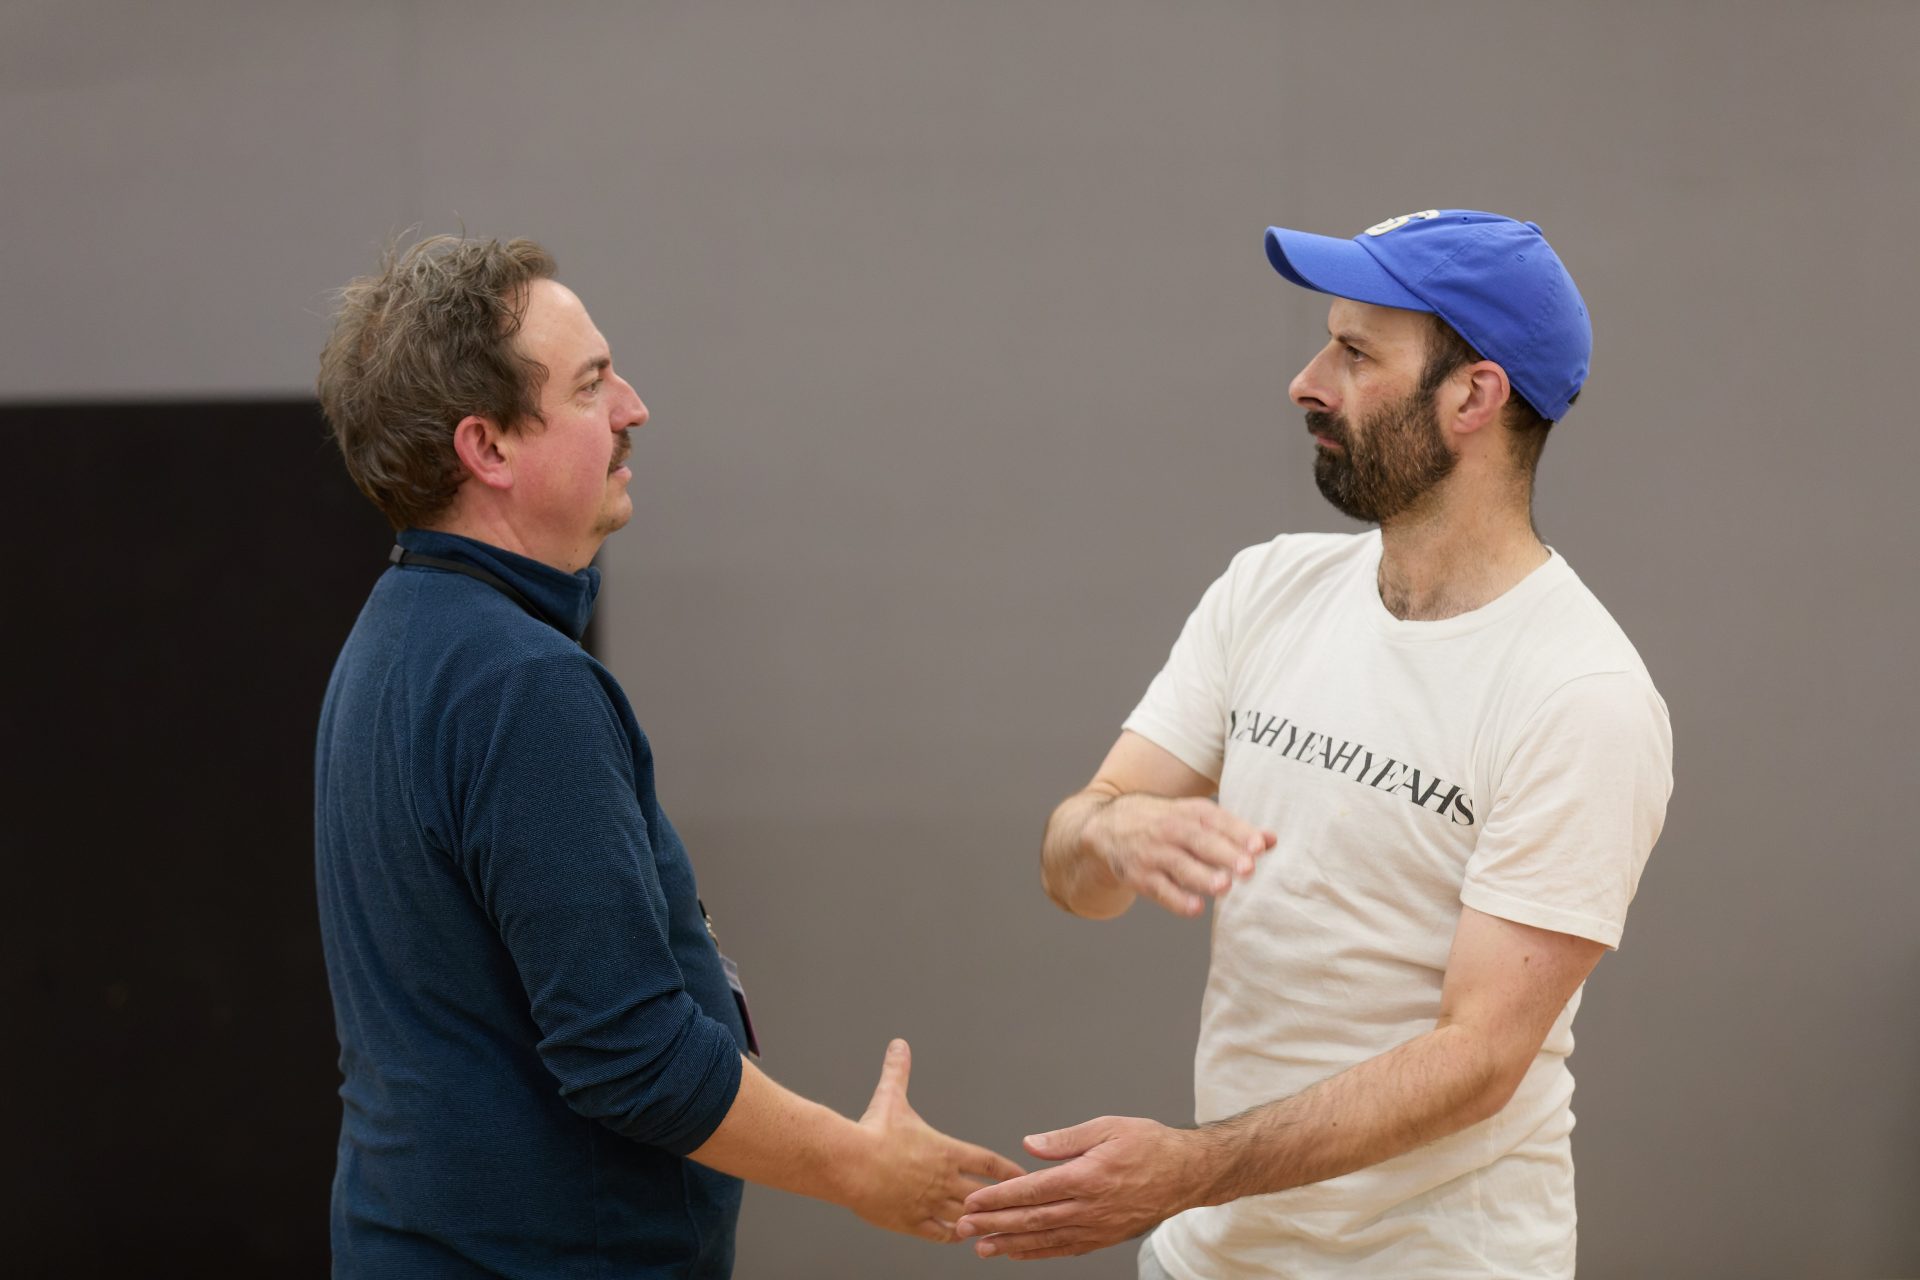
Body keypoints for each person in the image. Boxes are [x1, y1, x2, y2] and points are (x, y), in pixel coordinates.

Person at [955, 210, 1672, 1278]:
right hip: (1211, 1255)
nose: (1306, 382)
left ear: (1474, 396)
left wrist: (1183, 1170)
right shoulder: (1269, 588)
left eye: (1354, 354)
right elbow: (1075, 867)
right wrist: (1116, 832)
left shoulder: (1581, 692)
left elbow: (1477, 1058)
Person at [313, 234, 1021, 1278]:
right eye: (592, 385)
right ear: (489, 447)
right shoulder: (523, 685)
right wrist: (862, 1166)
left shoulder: (396, 635)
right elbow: (630, 1054)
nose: (634, 407)